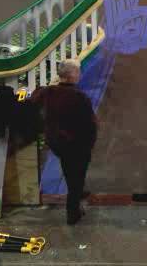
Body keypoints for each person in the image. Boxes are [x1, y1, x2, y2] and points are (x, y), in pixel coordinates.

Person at [31, 59, 98, 224]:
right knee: (77, 174)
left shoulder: (47, 92)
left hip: (56, 142)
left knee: (69, 169)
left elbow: (33, 103)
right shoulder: (79, 97)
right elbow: (90, 125)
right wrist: (90, 144)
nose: (79, 74)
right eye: (78, 71)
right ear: (72, 75)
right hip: (76, 143)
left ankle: (77, 193)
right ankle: (73, 212)